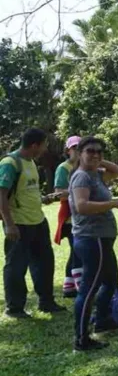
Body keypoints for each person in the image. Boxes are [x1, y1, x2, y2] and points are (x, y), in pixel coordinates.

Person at [69, 136, 118, 351]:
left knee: (111, 280)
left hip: (102, 239)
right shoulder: (81, 178)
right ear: (79, 153)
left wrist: (98, 161)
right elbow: (82, 206)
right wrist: (115, 203)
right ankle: (81, 339)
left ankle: (102, 320)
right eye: (90, 151)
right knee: (89, 289)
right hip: (91, 238)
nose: (95, 155)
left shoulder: (95, 175)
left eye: (99, 151)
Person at [0, 128, 65, 318]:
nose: (46, 148)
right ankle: (15, 308)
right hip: (19, 224)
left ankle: (46, 302)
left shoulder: (31, 163)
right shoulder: (10, 163)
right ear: (35, 145)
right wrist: (9, 224)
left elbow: (26, 191)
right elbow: (1, 195)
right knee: (16, 266)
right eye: (45, 144)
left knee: (45, 263)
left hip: (38, 221)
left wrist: (43, 198)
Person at [54, 135, 82, 298]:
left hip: (83, 216)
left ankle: (69, 287)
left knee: (75, 252)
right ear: (68, 150)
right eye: (75, 148)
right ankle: (81, 287)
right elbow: (58, 193)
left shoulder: (84, 167)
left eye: (81, 148)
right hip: (70, 217)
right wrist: (80, 191)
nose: (78, 151)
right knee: (78, 251)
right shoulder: (63, 168)